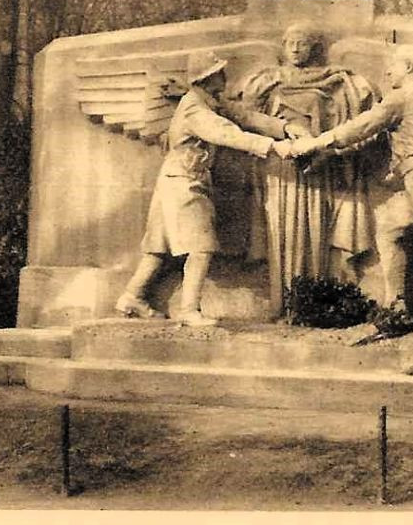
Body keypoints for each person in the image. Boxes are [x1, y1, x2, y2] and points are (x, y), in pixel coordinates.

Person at [290, 49, 413, 367]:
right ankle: (397, 308)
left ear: (407, 68)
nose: (388, 74)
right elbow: (375, 138)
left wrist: (314, 143)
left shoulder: (404, 96)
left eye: (391, 67)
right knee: (389, 228)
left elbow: (362, 126)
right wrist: (330, 155)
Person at [115, 52, 300, 327]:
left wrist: (283, 127)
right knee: (201, 247)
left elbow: (244, 116)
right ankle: (189, 311)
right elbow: (226, 133)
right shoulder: (195, 109)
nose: (224, 77)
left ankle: (132, 297)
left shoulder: (209, 102)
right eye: (219, 73)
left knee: (158, 248)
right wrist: (273, 147)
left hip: (177, 180)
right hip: (184, 183)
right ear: (208, 78)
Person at [236, 24, 379, 312]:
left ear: (314, 47)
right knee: (281, 234)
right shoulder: (268, 80)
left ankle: (312, 303)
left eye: (302, 43)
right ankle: (283, 302)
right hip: (280, 166)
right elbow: (246, 115)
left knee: (316, 231)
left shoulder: (336, 80)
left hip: (318, 166)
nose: (295, 48)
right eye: (290, 42)